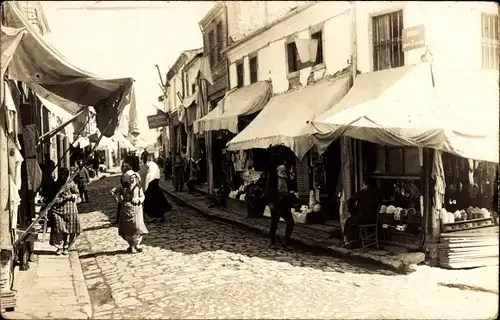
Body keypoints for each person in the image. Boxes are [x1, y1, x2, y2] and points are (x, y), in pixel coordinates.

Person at [111, 170, 148, 253]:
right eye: (131, 177)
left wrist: (139, 200)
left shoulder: (138, 186)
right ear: (127, 178)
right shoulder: (122, 187)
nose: (133, 179)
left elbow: (142, 196)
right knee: (128, 229)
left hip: (137, 209)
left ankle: (137, 244)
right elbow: (112, 191)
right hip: (126, 210)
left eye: (134, 177)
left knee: (138, 227)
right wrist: (117, 199)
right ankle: (131, 245)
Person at [48, 168, 82, 255]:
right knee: (58, 227)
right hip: (58, 209)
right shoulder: (55, 185)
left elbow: (77, 194)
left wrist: (73, 195)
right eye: (61, 175)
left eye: (64, 175)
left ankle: (66, 246)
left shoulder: (71, 183)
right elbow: (51, 196)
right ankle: (59, 246)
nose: (62, 177)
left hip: (70, 208)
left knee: (71, 228)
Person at [343, 177, 382, 247]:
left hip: (363, 219)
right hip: (374, 219)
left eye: (363, 185)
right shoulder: (378, 193)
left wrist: (353, 212)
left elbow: (350, 201)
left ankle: (348, 242)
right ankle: (361, 239)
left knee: (348, 221)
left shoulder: (363, 192)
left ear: (366, 185)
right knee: (355, 220)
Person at [264, 164, 295, 249]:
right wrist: (270, 203)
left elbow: (290, 189)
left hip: (285, 204)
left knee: (290, 222)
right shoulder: (273, 179)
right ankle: (272, 242)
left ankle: (286, 241)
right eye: (282, 171)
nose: (284, 172)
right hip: (276, 203)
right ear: (278, 171)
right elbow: (267, 191)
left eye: (285, 170)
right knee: (274, 223)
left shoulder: (287, 179)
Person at [140, 152, 172, 222]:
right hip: (155, 184)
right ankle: (159, 215)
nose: (142, 161)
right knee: (158, 201)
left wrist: (145, 188)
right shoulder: (152, 165)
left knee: (151, 202)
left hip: (152, 185)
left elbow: (149, 178)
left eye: (142, 159)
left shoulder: (151, 165)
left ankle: (154, 216)